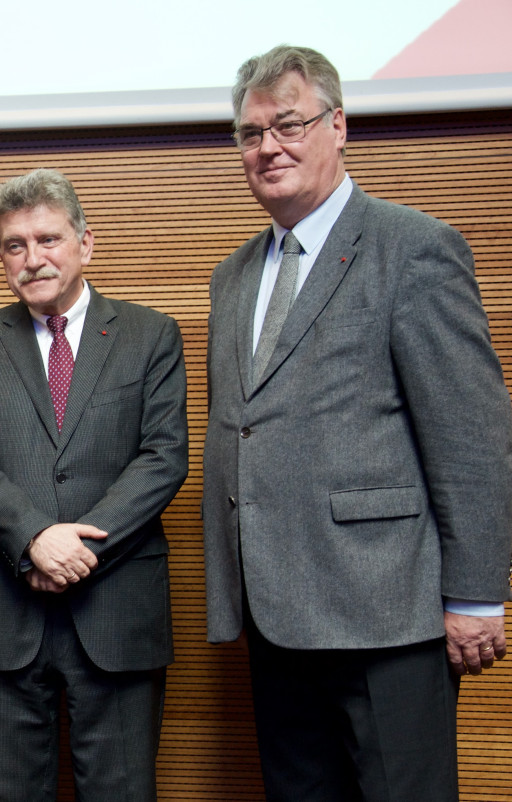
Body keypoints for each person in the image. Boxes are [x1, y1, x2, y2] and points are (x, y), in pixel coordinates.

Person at [201, 44, 512, 801]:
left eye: (289, 124)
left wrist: (474, 597)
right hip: (275, 617)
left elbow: (471, 436)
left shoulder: (414, 250)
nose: (268, 147)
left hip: (387, 614)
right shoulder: (234, 274)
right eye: (250, 133)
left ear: (338, 126)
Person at [0, 168, 188, 801]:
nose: (32, 258)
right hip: (7, 612)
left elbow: (163, 459)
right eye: (13, 245)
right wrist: (33, 540)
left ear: (85, 243)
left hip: (116, 611)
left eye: (47, 239)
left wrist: (78, 552)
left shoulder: (150, 335)